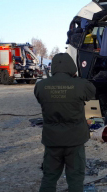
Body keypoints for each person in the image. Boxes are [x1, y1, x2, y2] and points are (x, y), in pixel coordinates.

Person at [34, 53, 96, 192]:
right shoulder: (80, 85)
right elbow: (92, 91)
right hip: (75, 139)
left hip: (52, 140)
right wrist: (75, 79)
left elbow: (40, 98)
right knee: (75, 178)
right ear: (72, 67)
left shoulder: (41, 86)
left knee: (49, 177)